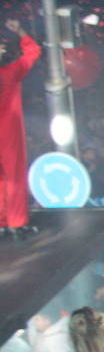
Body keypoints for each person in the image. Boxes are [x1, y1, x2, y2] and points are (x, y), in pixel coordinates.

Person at [0, 18, 41, 239]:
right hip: (8, 133)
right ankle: (15, 222)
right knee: (14, 177)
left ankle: (2, 223)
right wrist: (21, 32)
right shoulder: (9, 73)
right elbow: (33, 52)